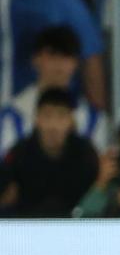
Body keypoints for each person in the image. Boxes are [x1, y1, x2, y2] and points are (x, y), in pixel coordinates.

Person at [0, 25, 108, 155]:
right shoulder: (11, 117)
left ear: (76, 63)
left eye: (66, 56)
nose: (59, 64)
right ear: (36, 59)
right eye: (52, 55)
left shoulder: (94, 121)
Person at [0, 87, 97, 217]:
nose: (53, 125)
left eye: (61, 116)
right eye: (47, 115)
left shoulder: (85, 153)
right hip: (26, 228)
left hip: (75, 227)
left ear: (71, 121)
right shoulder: (19, 153)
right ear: (37, 119)